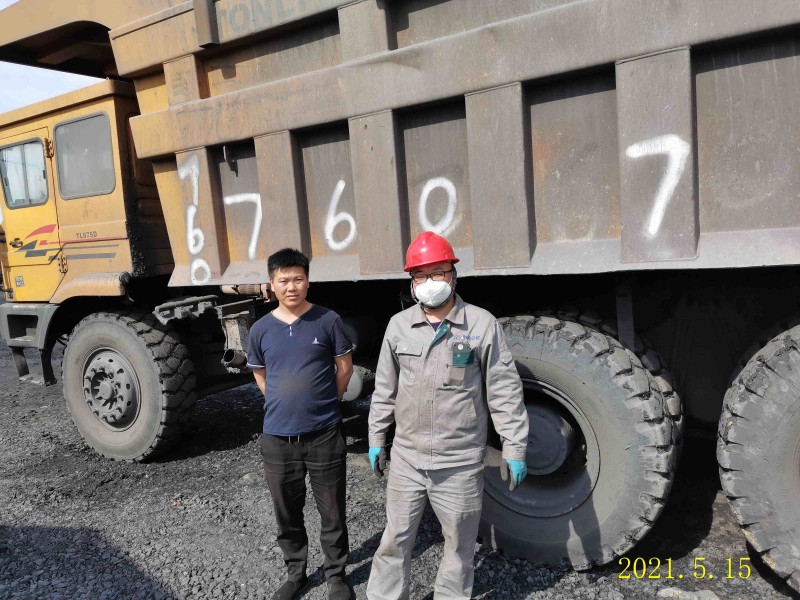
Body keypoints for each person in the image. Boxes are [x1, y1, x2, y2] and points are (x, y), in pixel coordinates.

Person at [366, 231, 530, 600]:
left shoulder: (481, 324)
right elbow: (385, 389)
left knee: (459, 548)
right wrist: (377, 438)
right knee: (393, 541)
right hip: (407, 459)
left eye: (438, 272)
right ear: (412, 282)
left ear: (453, 276)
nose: (430, 282)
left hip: (459, 463)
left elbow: (503, 390)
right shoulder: (398, 326)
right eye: (421, 275)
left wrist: (514, 446)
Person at [247, 248, 355, 600]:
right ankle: (296, 574)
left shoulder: (328, 320)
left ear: (308, 281)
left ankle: (336, 576)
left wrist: (325, 402)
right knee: (287, 513)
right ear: (271, 284)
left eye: (298, 279)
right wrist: (284, 404)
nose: (291, 287)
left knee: (332, 510)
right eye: (284, 280)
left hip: (325, 434)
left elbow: (344, 368)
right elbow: (261, 375)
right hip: (277, 439)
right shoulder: (260, 329)